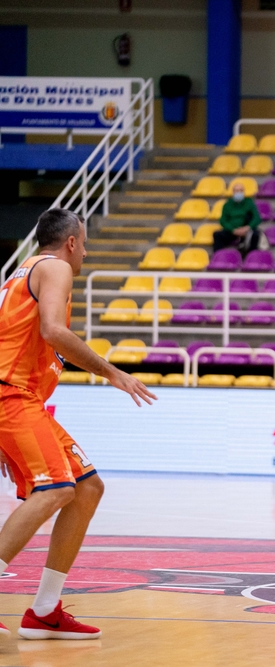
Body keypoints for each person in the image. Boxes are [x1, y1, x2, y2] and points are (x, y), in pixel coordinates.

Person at [0, 209, 156, 639]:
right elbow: (53, 330)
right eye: (84, 244)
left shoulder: (21, 273)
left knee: (86, 487)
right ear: (70, 243)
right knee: (56, 488)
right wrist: (111, 371)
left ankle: (45, 610)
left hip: (20, 398)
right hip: (10, 395)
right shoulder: (55, 268)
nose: (85, 251)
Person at [213, 182, 262, 256]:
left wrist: (247, 228)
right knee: (217, 235)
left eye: (241, 191)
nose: (238, 193)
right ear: (233, 192)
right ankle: (218, 257)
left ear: (243, 192)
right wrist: (233, 230)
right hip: (232, 231)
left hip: (246, 230)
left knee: (255, 235)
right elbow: (223, 221)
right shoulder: (227, 205)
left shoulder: (249, 203)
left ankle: (251, 257)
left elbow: (257, 218)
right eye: (236, 191)